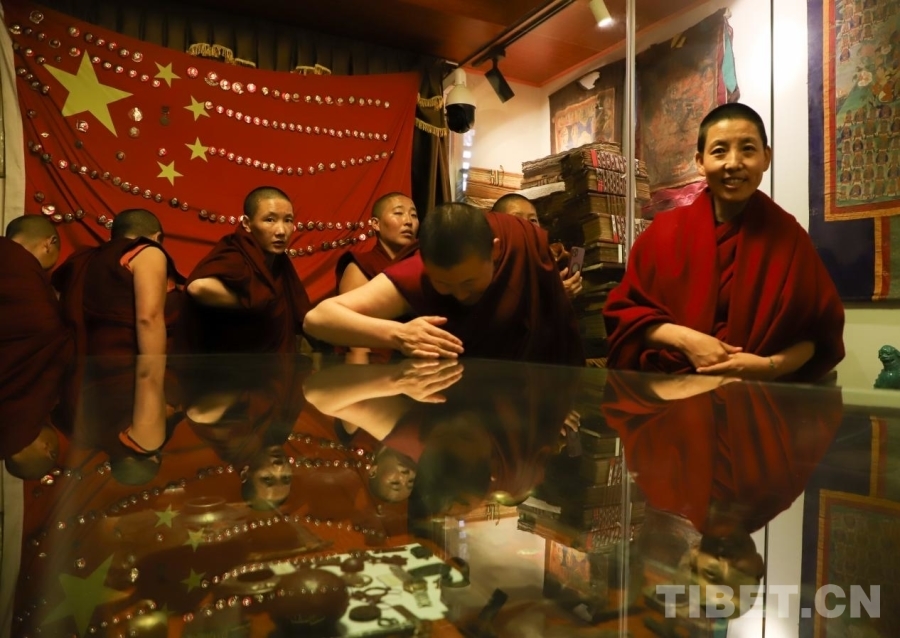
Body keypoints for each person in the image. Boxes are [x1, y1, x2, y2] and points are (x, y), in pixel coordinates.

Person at [603, 103, 845, 382]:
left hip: (758, 390)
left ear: (766, 157)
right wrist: (686, 340)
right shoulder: (663, 234)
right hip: (671, 389)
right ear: (700, 162)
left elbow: (818, 334)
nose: (733, 163)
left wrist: (768, 366)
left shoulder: (788, 237)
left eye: (748, 149)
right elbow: (625, 318)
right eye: (719, 151)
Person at [304, 202, 584, 365]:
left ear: (495, 251)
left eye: (469, 281)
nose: (460, 294)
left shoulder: (522, 246)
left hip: (522, 405)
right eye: (444, 284)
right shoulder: (418, 271)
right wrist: (398, 334)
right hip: (441, 406)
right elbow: (317, 319)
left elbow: (554, 327)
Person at [182, 186, 312, 353]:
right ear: (246, 224)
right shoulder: (236, 253)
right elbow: (197, 288)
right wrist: (253, 301)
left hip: (270, 361)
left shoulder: (278, 262)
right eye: (270, 220)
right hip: (233, 362)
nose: (281, 231)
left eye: (288, 220)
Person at [53, 209, 183, 357]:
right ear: (157, 237)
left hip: (90, 361)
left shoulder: (88, 260)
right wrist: (152, 372)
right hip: (131, 362)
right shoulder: (146, 251)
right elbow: (148, 319)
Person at [0, 216, 71, 479]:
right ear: (49, 243)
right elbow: (45, 330)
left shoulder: (15, 266)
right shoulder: (20, 266)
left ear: (47, 451)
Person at [335, 192, 420, 363]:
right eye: (398, 213)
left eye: (413, 215)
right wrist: (362, 372)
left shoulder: (420, 264)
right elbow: (354, 330)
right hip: (377, 364)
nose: (408, 221)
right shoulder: (361, 265)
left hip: (417, 360)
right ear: (376, 224)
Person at [491, 193, 583, 299]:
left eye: (533, 220)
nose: (528, 226)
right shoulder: (490, 264)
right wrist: (553, 295)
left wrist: (560, 292)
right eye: (517, 219)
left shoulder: (547, 264)